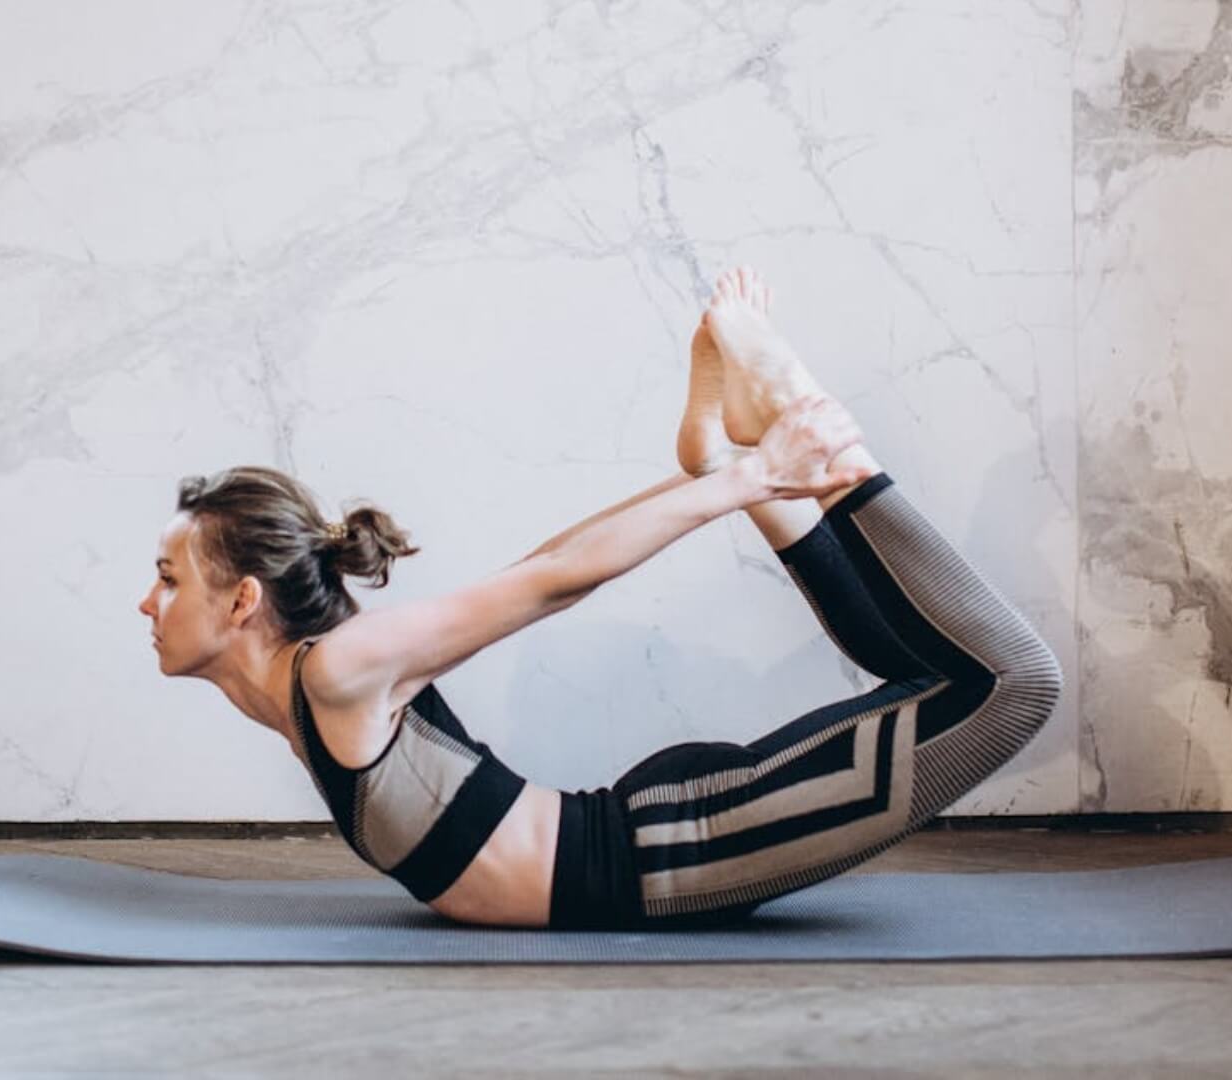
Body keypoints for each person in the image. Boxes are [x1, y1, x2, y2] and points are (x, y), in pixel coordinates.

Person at [140, 267, 1063, 931]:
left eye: (169, 576)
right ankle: (749, 459)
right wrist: (723, 482)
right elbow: (546, 565)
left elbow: (553, 578)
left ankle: (809, 432)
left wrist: (759, 480)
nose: (148, 603)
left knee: (1015, 685)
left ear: (242, 602)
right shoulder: (302, 684)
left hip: (682, 850)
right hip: (665, 842)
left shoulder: (337, 671)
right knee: (925, 671)